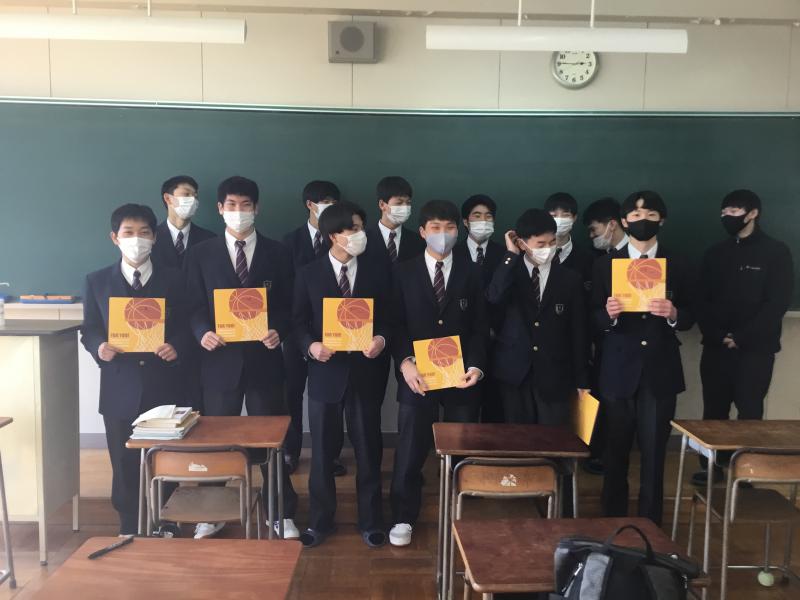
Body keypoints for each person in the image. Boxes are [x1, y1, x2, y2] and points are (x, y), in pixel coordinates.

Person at [184, 175, 298, 539]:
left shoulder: (279, 253)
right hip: (219, 361)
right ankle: (211, 512)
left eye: (245, 205)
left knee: (272, 439)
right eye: (231, 205)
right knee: (215, 439)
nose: (239, 212)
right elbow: (193, 305)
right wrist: (202, 332)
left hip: (264, 360)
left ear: (257, 209)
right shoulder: (200, 253)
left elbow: (289, 305)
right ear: (220, 209)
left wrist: (278, 329)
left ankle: (280, 510)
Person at [81, 203, 189, 535]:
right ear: (115, 238)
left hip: (164, 384)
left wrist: (177, 345)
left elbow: (187, 325)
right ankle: (129, 524)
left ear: (154, 237)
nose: (136, 239)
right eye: (128, 233)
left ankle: (167, 520)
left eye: (144, 233)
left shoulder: (175, 278)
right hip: (119, 386)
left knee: (165, 457)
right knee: (123, 462)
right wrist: (99, 347)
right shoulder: (97, 281)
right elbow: (90, 329)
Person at [591, 190, 695, 526]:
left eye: (650, 214)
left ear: (661, 220)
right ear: (623, 222)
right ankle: (611, 525)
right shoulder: (605, 264)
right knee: (615, 453)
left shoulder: (679, 262)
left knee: (654, 456)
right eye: (635, 215)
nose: (642, 220)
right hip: (617, 371)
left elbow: (693, 315)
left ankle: (652, 528)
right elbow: (592, 318)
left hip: (659, 371)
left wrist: (674, 313)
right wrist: (608, 315)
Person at [388, 200, 488, 547]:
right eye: (435, 228)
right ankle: (403, 516)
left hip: (461, 379)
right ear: (422, 232)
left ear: (458, 232)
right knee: (410, 450)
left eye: (449, 228)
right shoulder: (403, 272)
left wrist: (475, 366)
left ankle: (461, 515)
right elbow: (395, 324)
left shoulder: (473, 272)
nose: (442, 234)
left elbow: (480, 327)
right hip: (418, 377)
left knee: (461, 450)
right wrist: (405, 362)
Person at [293, 201, 390, 548]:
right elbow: (297, 322)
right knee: (321, 453)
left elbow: (391, 317)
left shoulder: (378, 271)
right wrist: (311, 346)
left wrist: (381, 339)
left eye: (362, 227)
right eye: (354, 229)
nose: (361, 234)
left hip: (366, 371)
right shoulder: (308, 273)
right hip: (325, 373)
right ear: (334, 235)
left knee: (369, 449)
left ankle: (372, 521)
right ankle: (320, 522)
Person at [692, 189, 794, 486]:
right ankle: (710, 468)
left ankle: (746, 472)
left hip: (755, 350)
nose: (728, 216)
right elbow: (701, 300)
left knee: (750, 411)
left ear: (753, 213)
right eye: (724, 212)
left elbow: (777, 303)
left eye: (735, 211)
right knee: (713, 412)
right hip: (716, 347)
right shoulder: (714, 253)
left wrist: (742, 337)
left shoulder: (776, 252)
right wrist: (717, 335)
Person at [487, 208, 589, 425]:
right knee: (518, 437)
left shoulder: (570, 279)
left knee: (553, 437)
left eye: (552, 242)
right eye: (540, 244)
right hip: (514, 372)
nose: (548, 249)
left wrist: (582, 378)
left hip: (555, 372)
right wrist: (511, 254)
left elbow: (579, 331)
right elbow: (493, 297)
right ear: (522, 243)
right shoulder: (509, 270)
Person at [281, 180, 342, 476]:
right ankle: (290, 452)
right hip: (297, 333)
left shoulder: (341, 239)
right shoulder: (289, 241)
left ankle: (331, 456)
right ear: (310, 204)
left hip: (336, 336)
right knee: (291, 393)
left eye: (334, 202)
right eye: (325, 201)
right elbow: (283, 288)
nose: (330, 206)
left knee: (333, 397)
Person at [580, 197, 629, 476]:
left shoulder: (645, 258)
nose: (592, 236)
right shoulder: (600, 261)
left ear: (612, 225)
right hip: (605, 345)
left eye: (594, 230)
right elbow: (594, 309)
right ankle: (598, 454)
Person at [454, 194, 505, 422]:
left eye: (488, 216)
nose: (483, 220)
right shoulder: (452, 253)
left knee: (495, 407)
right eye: (477, 216)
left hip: (498, 340)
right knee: (464, 410)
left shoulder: (505, 255)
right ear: (465, 222)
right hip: (463, 342)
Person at [151, 175, 216, 269]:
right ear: (168, 198)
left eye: (195, 196)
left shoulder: (210, 239)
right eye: (186, 194)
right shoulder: (149, 238)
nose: (193, 200)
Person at [365, 176, 426, 265]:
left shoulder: (418, 241)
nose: (405, 207)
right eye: (399, 203)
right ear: (382, 205)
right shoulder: (364, 239)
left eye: (408, 203)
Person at [544, 192, 594, 292]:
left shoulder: (587, 257)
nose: (559, 221)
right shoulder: (533, 253)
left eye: (565, 215)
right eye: (553, 216)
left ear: (574, 218)